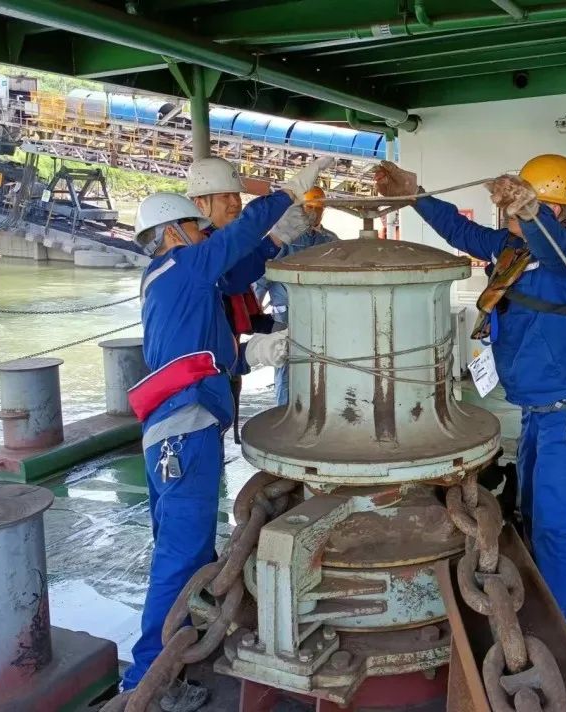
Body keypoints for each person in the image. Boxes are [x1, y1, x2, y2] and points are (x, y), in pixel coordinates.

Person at [119, 157, 331, 710]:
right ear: (172, 233)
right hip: (184, 431)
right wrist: (287, 194)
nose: (202, 236)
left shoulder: (177, 282)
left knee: (182, 546)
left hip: (177, 428)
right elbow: (236, 239)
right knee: (181, 554)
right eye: (195, 227)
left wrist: (252, 349)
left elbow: (210, 334)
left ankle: (170, 654)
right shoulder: (183, 267)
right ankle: (148, 679)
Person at [375, 155, 566, 635]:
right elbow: (460, 231)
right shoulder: (508, 248)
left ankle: (565, 624)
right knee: (533, 509)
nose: (508, 213)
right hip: (539, 411)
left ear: (555, 209)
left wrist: (529, 210)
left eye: (529, 204)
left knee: (555, 523)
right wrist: (415, 196)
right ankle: (545, 591)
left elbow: (550, 239)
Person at [186, 156, 283, 440]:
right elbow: (233, 279)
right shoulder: (199, 248)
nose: (235, 203)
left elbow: (238, 296)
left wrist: (275, 327)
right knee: (205, 427)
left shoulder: (222, 241)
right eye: (225, 196)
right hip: (204, 363)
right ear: (200, 203)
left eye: (237, 195)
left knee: (223, 417)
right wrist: (276, 239)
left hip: (226, 355)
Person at [253, 185, 340, 406]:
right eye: (309, 208)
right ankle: (285, 410)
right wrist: (253, 310)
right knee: (286, 362)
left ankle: (319, 412)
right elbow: (262, 276)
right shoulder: (285, 238)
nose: (314, 213)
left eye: (318, 208)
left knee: (322, 365)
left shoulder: (331, 240)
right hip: (286, 316)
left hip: (321, 316)